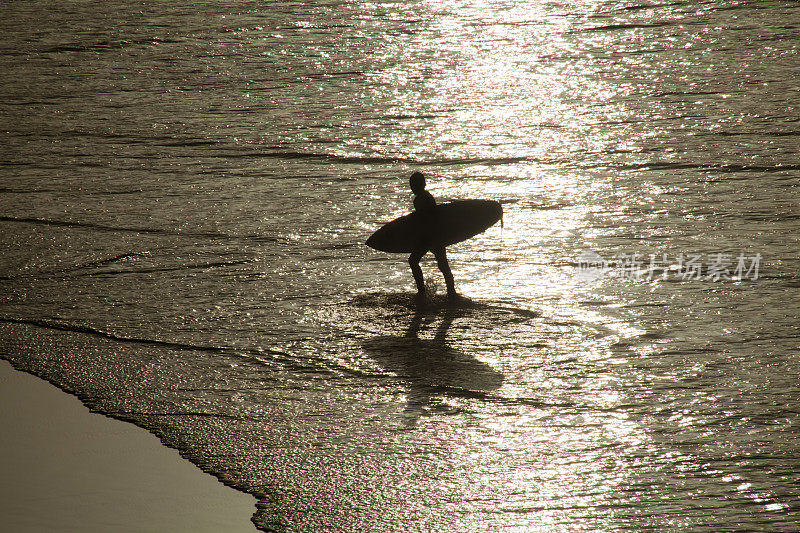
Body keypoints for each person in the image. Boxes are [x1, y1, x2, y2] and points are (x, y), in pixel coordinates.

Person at [407, 171, 456, 298]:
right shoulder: (426, 196)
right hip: (435, 235)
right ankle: (451, 292)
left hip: (430, 237)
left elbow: (427, 218)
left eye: (414, 184)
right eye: (411, 185)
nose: (412, 187)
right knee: (443, 265)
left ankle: (422, 291)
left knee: (413, 261)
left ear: (422, 184)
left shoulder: (421, 199)